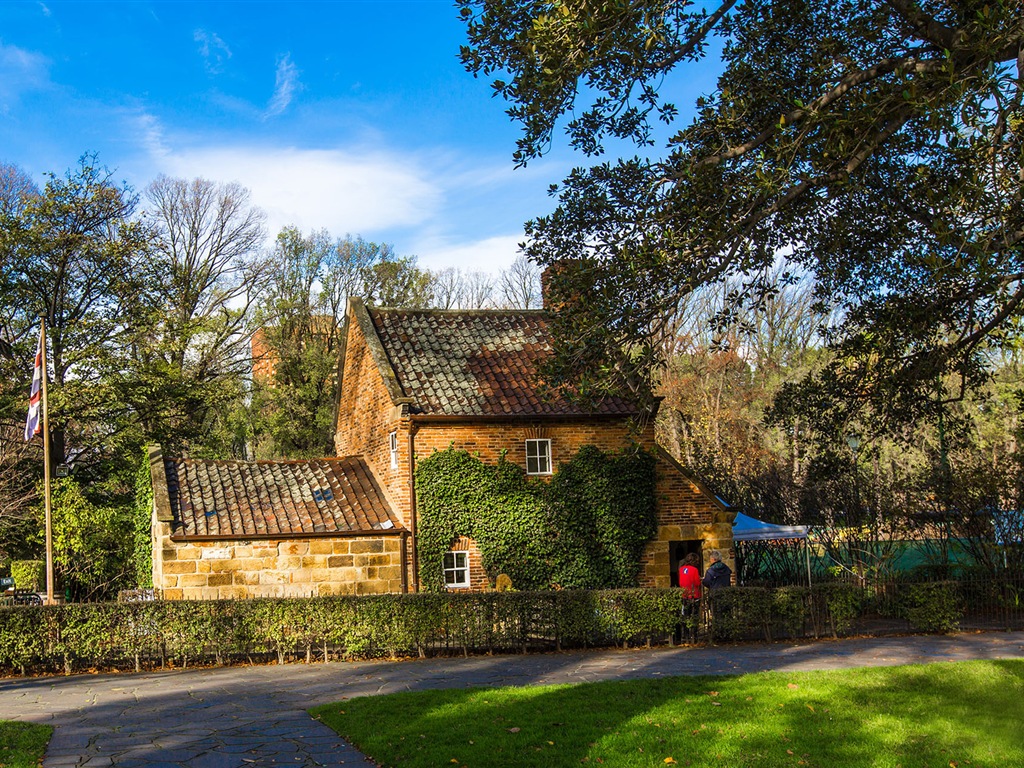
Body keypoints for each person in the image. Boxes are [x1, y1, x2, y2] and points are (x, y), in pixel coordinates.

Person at [677, 552, 702, 643]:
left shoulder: (681, 569)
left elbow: (681, 582)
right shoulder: (694, 570)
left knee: (685, 616)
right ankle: (694, 636)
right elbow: (697, 583)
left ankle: (686, 635)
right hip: (694, 595)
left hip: (684, 595)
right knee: (694, 616)